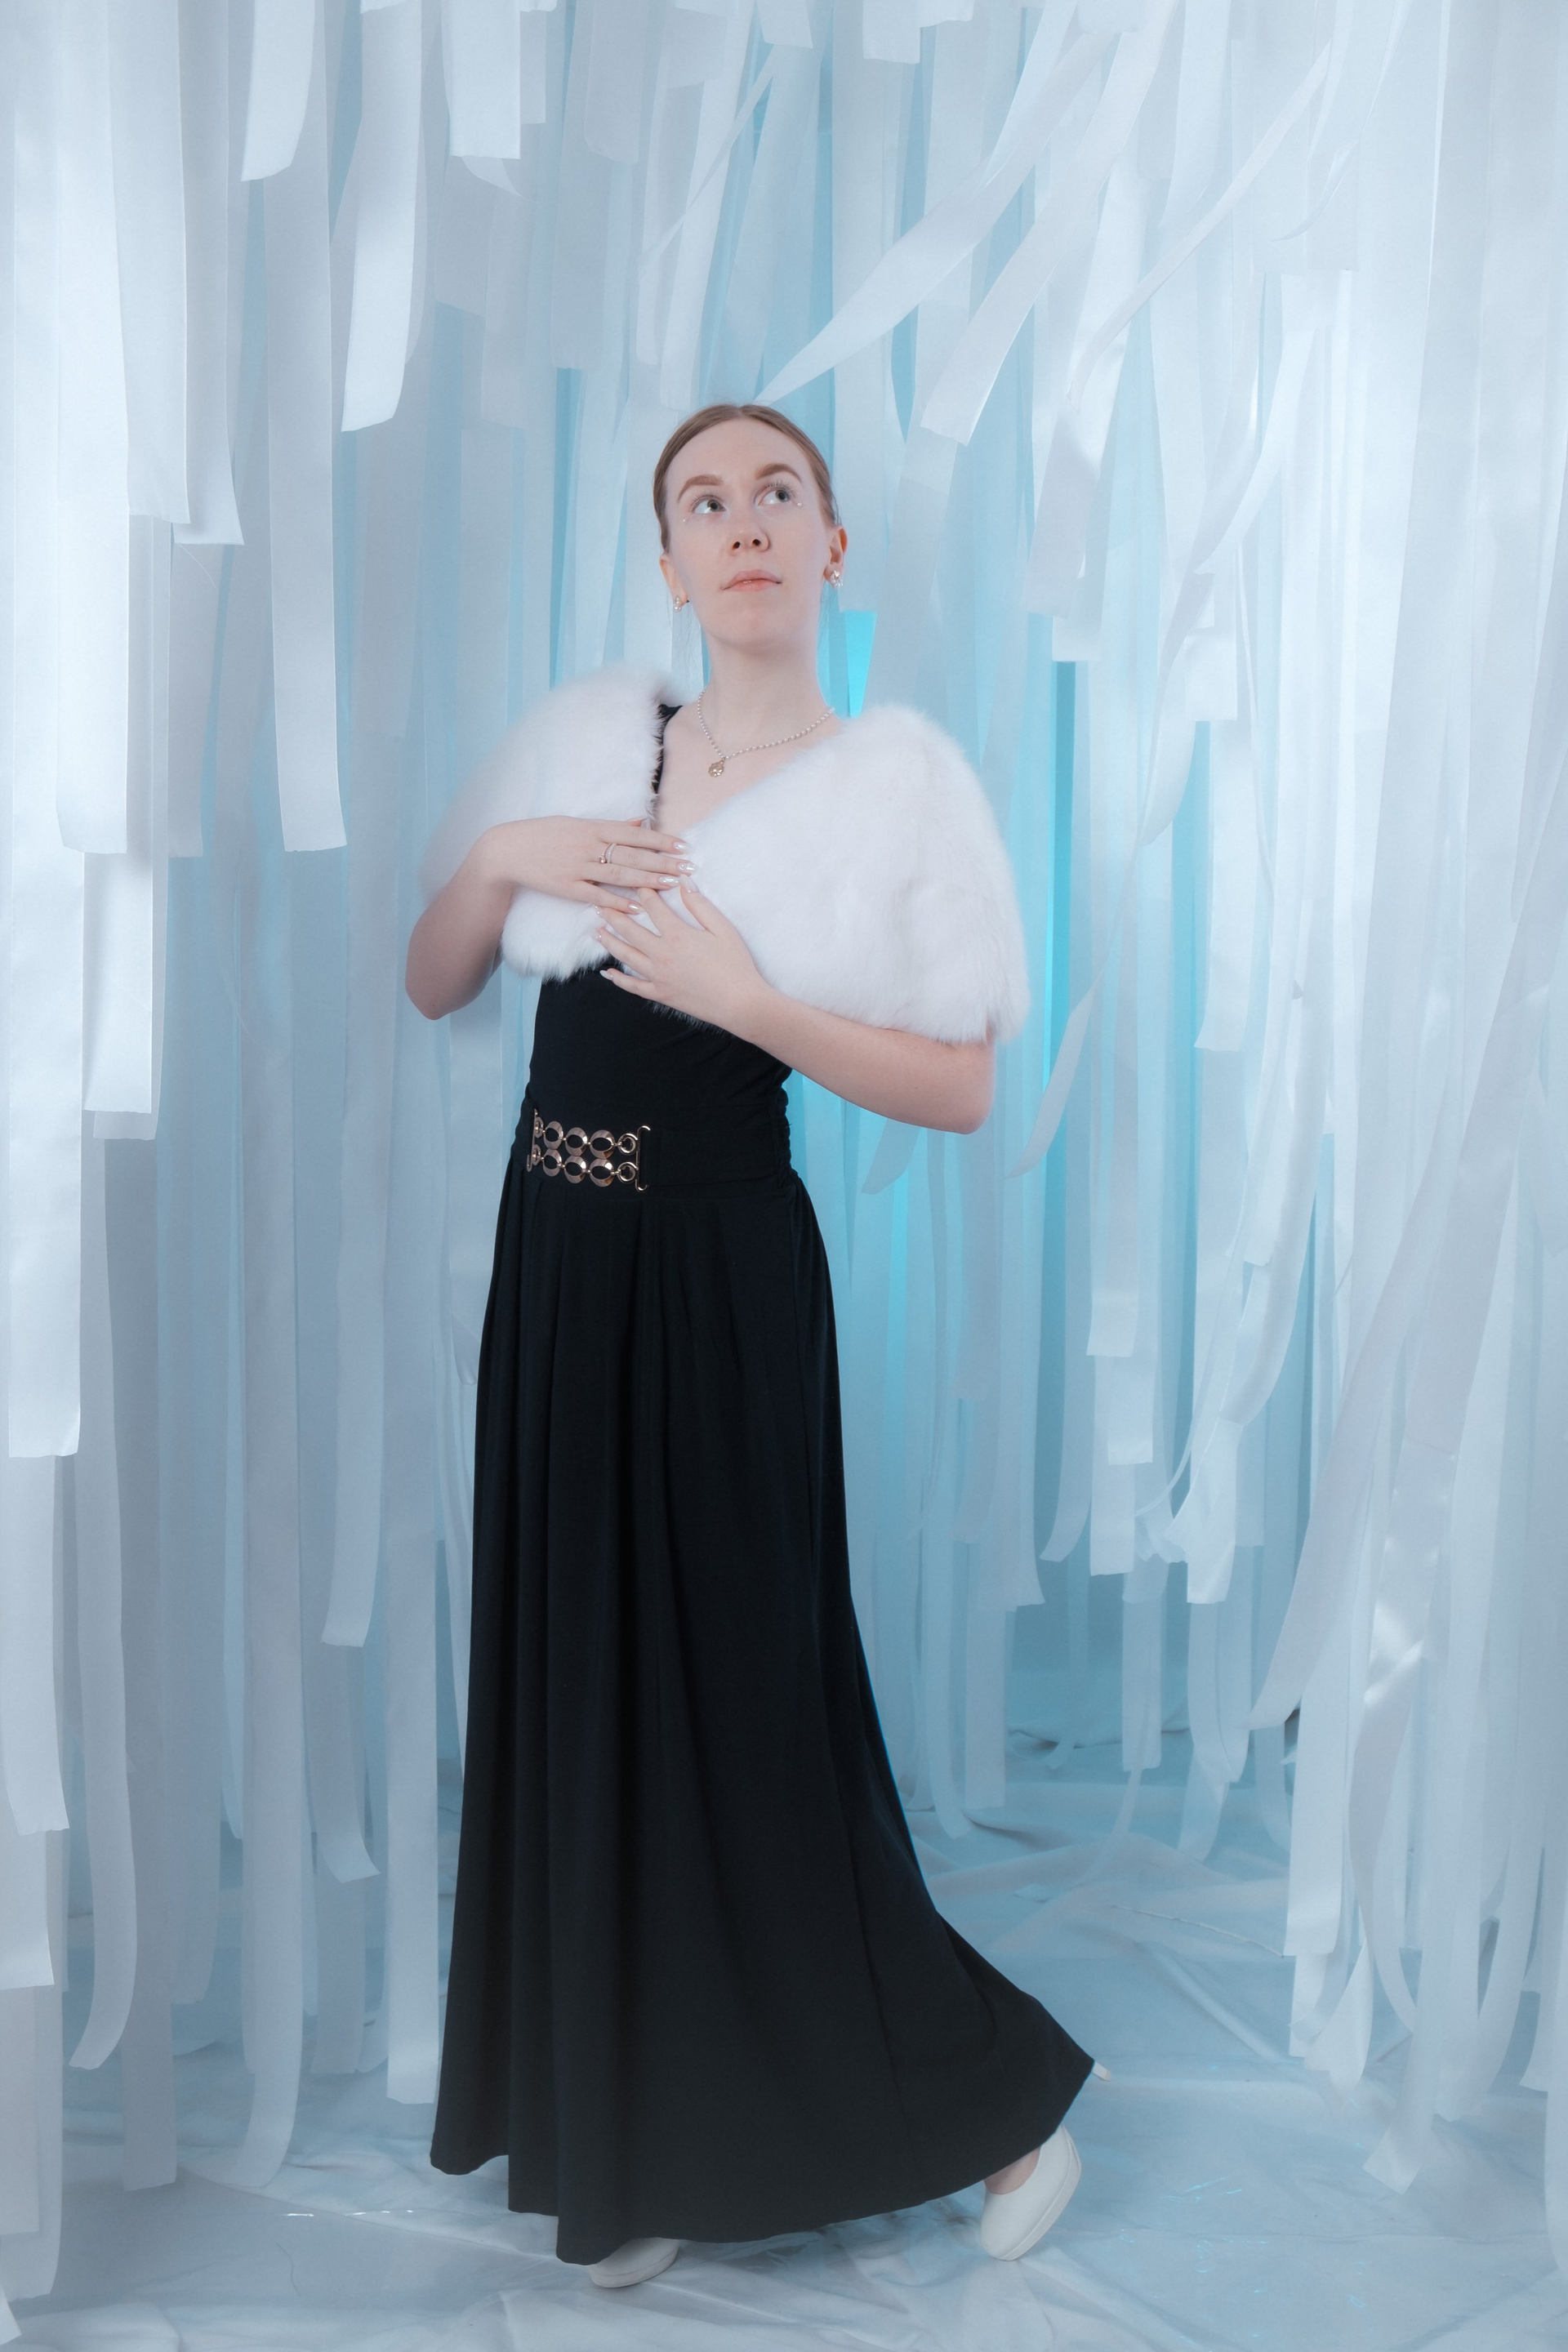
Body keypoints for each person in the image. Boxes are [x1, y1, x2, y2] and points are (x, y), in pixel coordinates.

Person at [405, 403, 1094, 2291]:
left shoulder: (892, 787)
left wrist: (751, 998)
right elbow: (433, 977)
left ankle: (1001, 2103)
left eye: (777, 493)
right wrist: (506, 853)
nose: (744, 523)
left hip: (718, 1279)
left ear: (831, 541)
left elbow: (960, 1087)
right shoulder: (592, 742)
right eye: (704, 502)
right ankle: (632, 2137)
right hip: (555, 1270)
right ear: (670, 561)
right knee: (585, 1691)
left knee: (747, 1704)